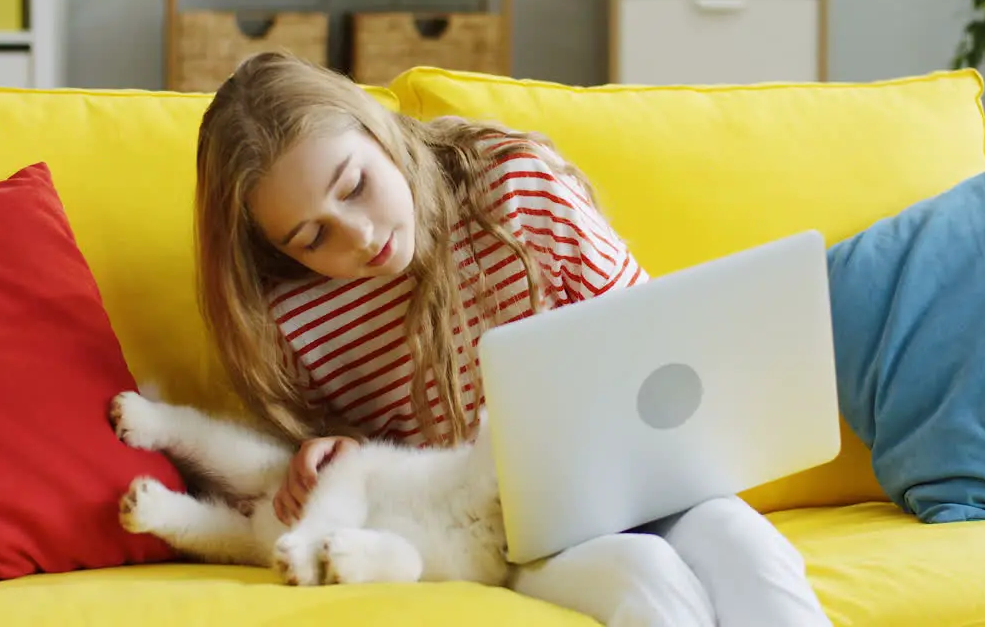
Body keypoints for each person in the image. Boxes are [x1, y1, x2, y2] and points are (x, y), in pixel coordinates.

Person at [192, 51, 832, 627]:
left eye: (356, 186)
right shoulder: (299, 322)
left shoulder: (512, 187)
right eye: (312, 238)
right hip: (504, 538)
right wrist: (326, 457)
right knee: (646, 579)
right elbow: (349, 482)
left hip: (646, 480)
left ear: (377, 130)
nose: (357, 236)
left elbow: (656, 335)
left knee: (749, 549)